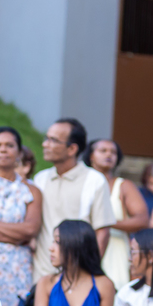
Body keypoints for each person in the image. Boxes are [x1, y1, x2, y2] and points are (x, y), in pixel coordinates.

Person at [30, 118, 115, 280]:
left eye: (53, 140)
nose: (45, 144)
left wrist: (86, 274)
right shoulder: (40, 179)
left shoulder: (94, 180)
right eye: (46, 138)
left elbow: (102, 233)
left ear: (72, 149)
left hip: (77, 277)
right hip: (41, 277)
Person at [85, 138, 148, 289]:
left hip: (116, 251)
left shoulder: (124, 185)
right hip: (83, 247)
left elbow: (142, 219)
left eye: (113, 152)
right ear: (91, 156)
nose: (109, 155)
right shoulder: (82, 183)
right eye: (103, 151)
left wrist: (104, 221)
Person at [0, 126, 41, 306]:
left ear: (19, 152)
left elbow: (30, 230)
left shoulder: (31, 190)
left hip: (18, 265)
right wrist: (16, 236)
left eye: (9, 145)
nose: (3, 150)